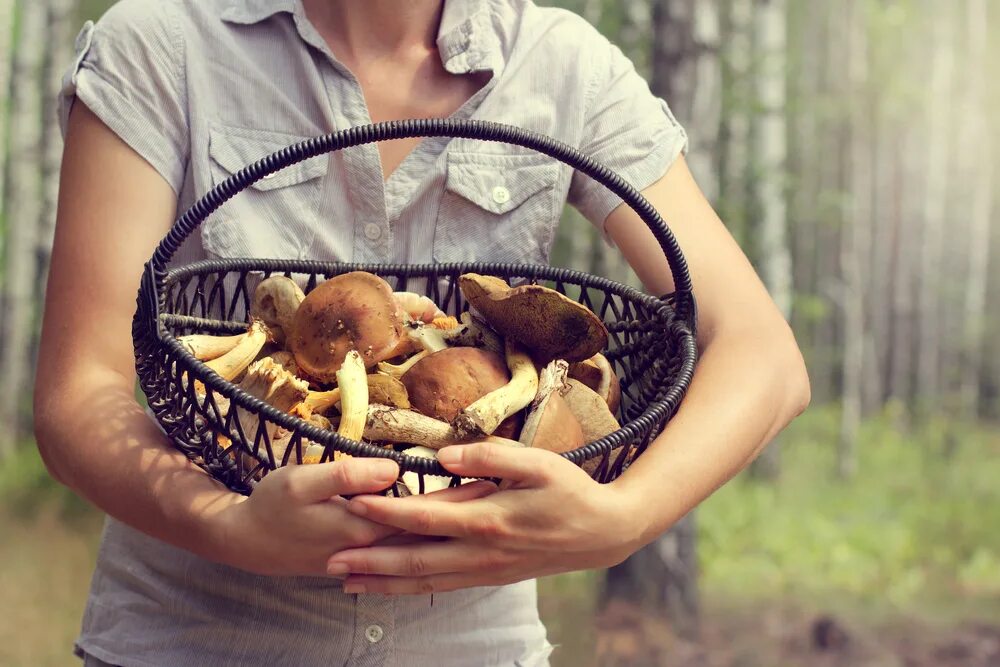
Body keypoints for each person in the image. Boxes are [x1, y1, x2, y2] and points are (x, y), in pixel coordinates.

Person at [34, 0, 811, 665]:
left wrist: (624, 519)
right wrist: (229, 526)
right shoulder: (164, 42)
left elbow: (764, 355)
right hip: (192, 639)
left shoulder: (562, 68)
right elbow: (77, 400)